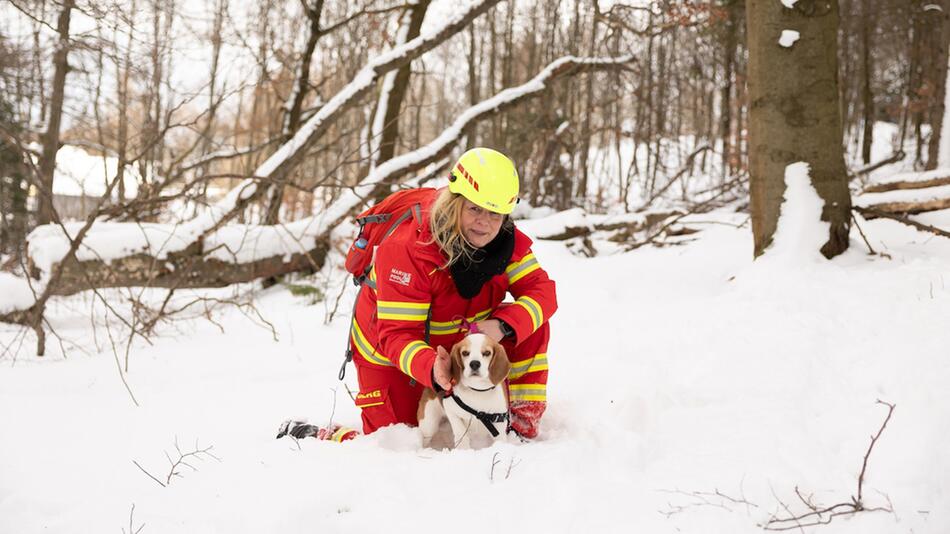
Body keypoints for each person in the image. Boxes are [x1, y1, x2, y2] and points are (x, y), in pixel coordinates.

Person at [277, 147, 557, 442]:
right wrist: (431, 368)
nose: (484, 223)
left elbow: (542, 292)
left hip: (458, 347)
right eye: (474, 208)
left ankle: (519, 420)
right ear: (454, 202)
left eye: (495, 213)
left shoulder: (503, 241)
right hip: (392, 351)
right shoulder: (410, 247)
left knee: (530, 322)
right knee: (398, 439)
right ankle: (320, 434)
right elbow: (398, 334)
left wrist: (501, 326)